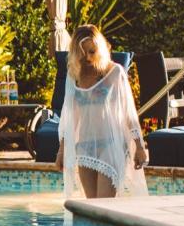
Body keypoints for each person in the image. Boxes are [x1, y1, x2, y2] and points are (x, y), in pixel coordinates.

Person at [54, 25, 148, 198]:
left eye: (92, 51)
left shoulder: (114, 73)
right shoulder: (73, 75)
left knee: (104, 204)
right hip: (84, 146)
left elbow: (128, 112)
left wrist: (139, 147)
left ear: (100, 49)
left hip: (111, 144)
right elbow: (69, 117)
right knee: (92, 207)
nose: (88, 57)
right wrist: (62, 151)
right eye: (82, 53)